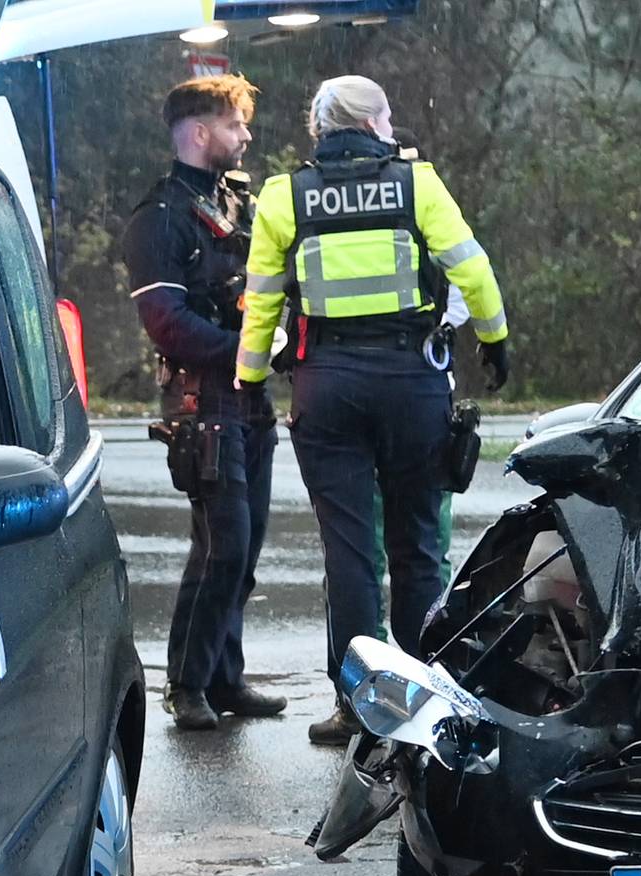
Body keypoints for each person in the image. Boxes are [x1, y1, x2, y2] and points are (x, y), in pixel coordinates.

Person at [234, 75, 510, 746]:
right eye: (387, 115)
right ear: (374, 122)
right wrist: (494, 338)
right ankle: (425, 694)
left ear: (320, 128)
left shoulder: (283, 195)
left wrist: (248, 378)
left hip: (325, 385)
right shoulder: (417, 184)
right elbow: (471, 270)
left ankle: (360, 703)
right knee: (418, 547)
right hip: (411, 380)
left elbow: (263, 301)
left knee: (351, 553)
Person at [123, 74, 288, 731]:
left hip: (250, 399)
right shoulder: (158, 219)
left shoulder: (236, 205)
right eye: (234, 125)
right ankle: (187, 685)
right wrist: (249, 352)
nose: (245, 136)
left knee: (242, 554)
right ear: (199, 133)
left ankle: (226, 678)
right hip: (203, 404)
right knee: (222, 549)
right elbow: (166, 322)